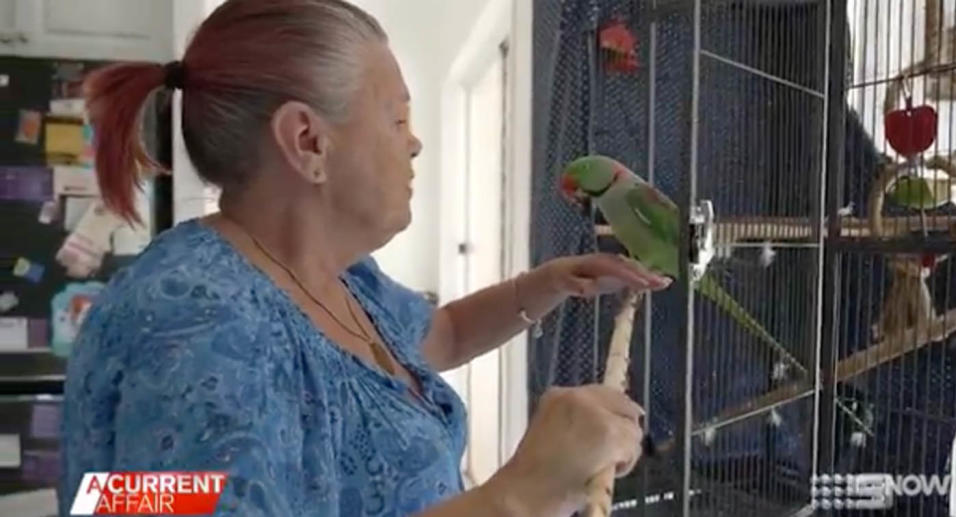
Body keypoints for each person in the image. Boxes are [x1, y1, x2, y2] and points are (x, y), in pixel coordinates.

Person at [58, 0, 672, 515]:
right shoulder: (189, 329)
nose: (414, 141)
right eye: (397, 117)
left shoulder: (338, 277)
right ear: (308, 141)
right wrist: (517, 494)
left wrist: (546, 285)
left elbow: (444, 334)